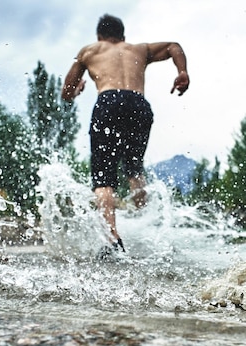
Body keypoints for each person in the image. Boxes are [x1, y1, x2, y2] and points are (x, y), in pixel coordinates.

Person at [61, 14, 189, 256]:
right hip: (139, 105)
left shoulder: (90, 51)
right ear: (123, 35)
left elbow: (66, 93)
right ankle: (148, 226)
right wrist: (182, 72)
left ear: (100, 36)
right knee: (134, 169)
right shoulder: (139, 49)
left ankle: (112, 239)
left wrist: (75, 89)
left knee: (103, 178)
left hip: (108, 102)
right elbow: (174, 46)